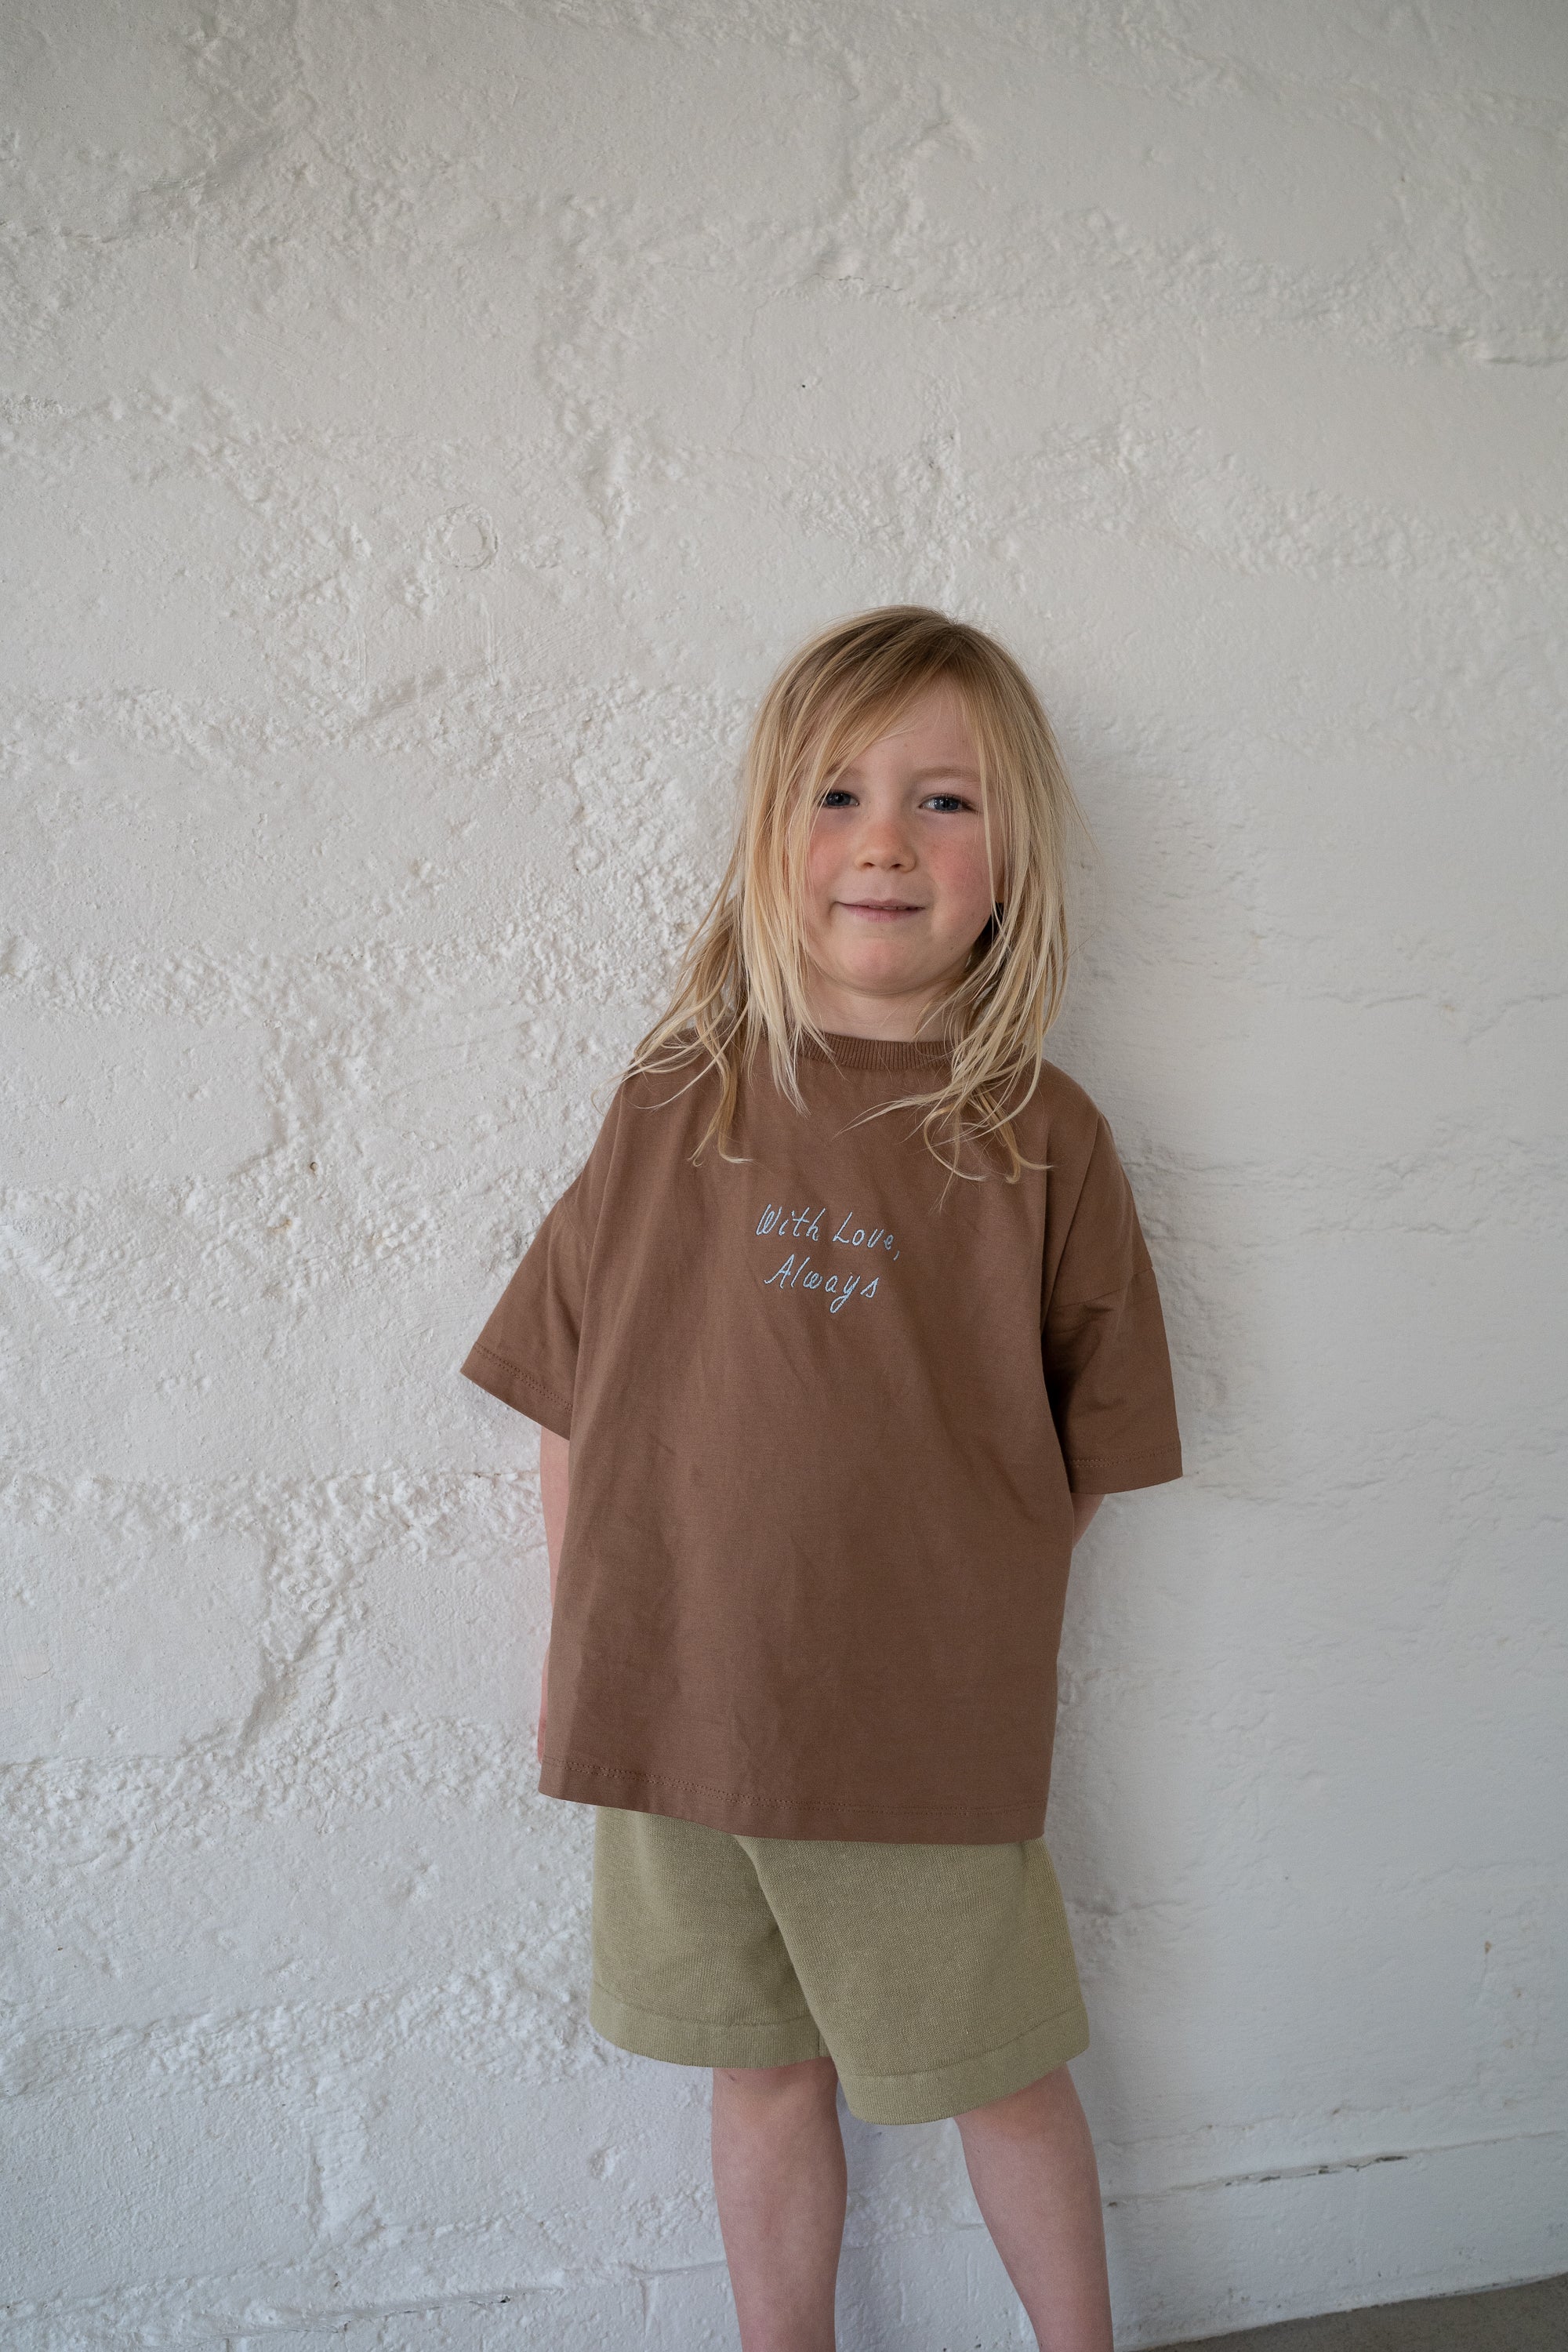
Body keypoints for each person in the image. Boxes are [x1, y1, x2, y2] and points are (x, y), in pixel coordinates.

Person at [459, 604, 1182, 2352]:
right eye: (840, 793)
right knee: (760, 2075)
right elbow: (573, 1398)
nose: (883, 840)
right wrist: (599, 1639)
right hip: (680, 1715)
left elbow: (1085, 1447)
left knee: (1001, 2078)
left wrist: (948, 1616)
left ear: (1011, 860)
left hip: (919, 1746)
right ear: (772, 836)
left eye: (946, 803)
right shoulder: (675, 1103)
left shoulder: (1041, 1136)